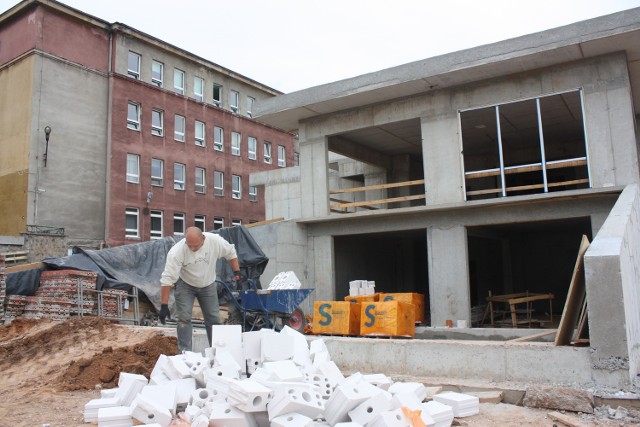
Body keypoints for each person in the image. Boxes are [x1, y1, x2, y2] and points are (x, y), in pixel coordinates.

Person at [159, 226, 243, 352]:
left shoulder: (215, 241)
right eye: (189, 245)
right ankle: (185, 353)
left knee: (213, 318)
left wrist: (237, 272)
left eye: (196, 246)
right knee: (184, 318)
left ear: (203, 239)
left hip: (208, 284)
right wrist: (164, 305)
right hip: (185, 284)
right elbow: (167, 279)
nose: (192, 249)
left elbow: (230, 252)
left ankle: (217, 351)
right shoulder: (177, 252)